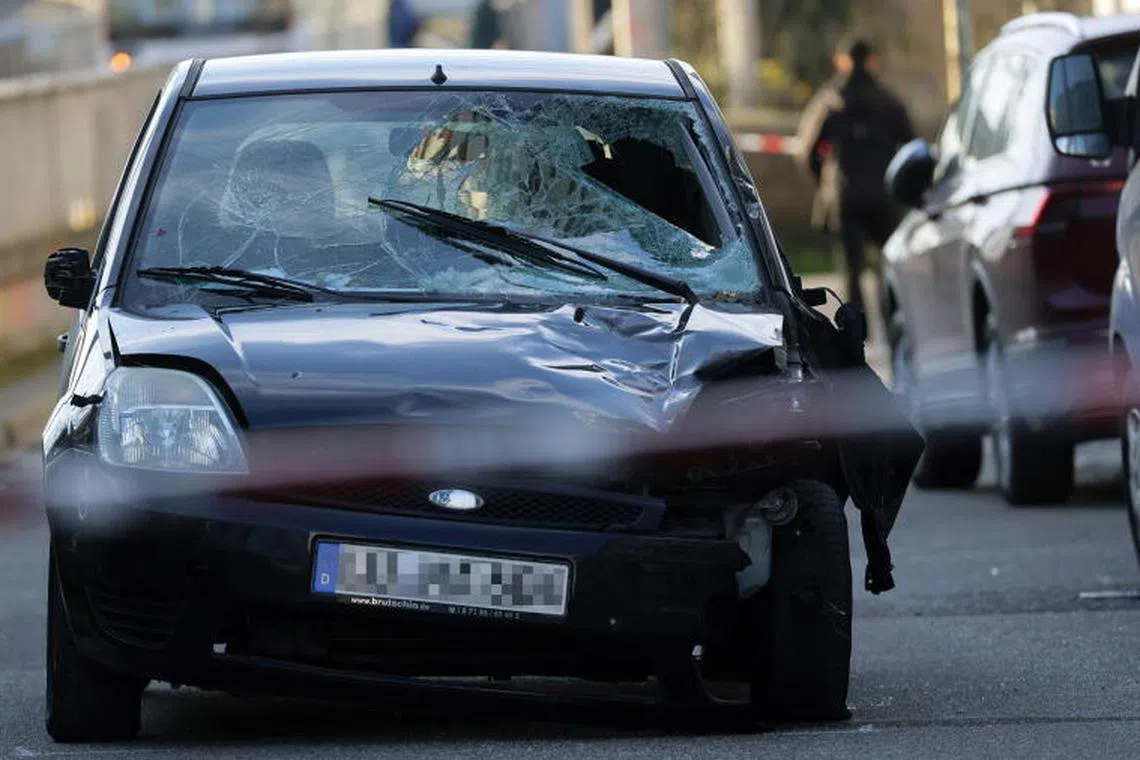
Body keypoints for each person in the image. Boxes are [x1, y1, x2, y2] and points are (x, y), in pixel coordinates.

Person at [796, 36, 914, 312]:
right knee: (889, 265)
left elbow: (806, 152)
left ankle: (858, 334)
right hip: (884, 195)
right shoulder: (889, 101)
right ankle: (893, 327)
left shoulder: (830, 102)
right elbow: (910, 147)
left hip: (844, 196)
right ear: (872, 61)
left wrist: (823, 182)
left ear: (841, 61)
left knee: (852, 270)